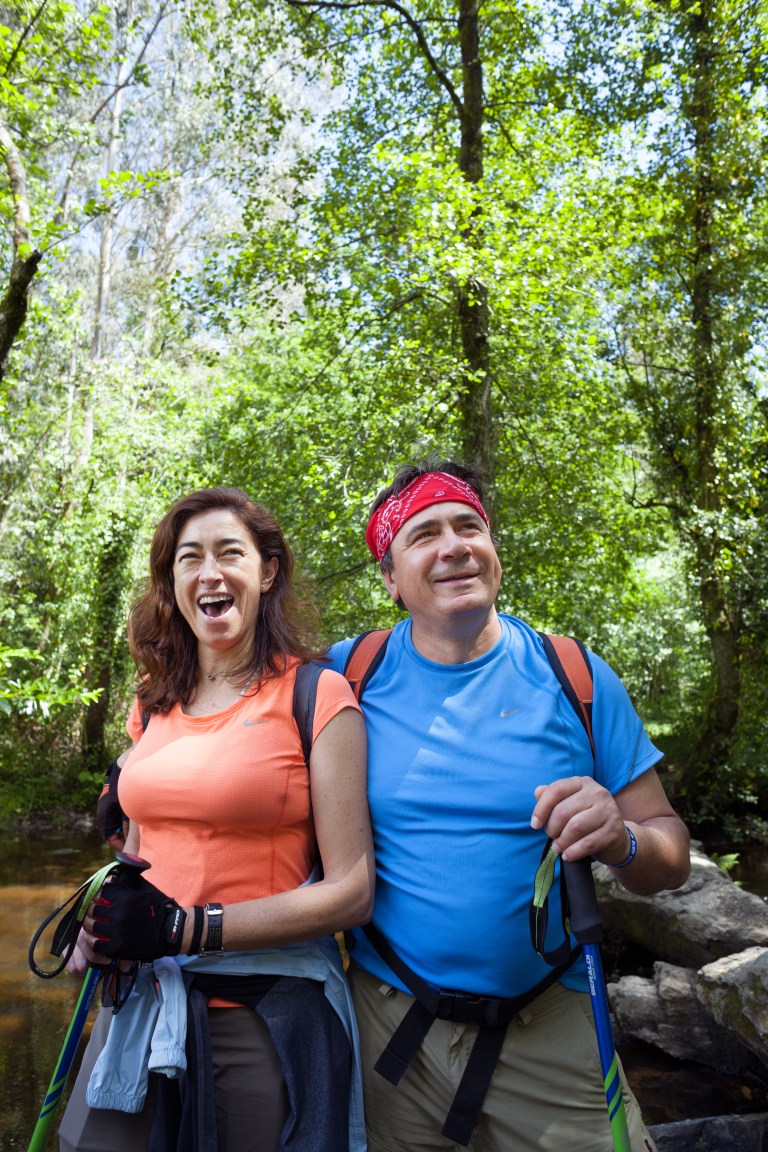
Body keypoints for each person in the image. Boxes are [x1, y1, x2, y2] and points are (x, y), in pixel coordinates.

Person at [326, 455, 691, 1152]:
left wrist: (622, 840)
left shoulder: (573, 674)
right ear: (390, 577)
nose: (455, 545)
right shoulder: (346, 676)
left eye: (470, 525)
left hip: (551, 1023)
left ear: (494, 551)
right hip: (389, 1028)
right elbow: (231, 735)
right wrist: (132, 777)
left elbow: (668, 854)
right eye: (424, 534)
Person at [60, 487, 375, 1152]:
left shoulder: (317, 695)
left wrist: (185, 926)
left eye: (229, 552)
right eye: (188, 558)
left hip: (259, 1005)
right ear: (171, 582)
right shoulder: (152, 706)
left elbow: (352, 891)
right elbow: (138, 864)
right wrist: (97, 927)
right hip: (140, 1002)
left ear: (266, 571)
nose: (209, 572)